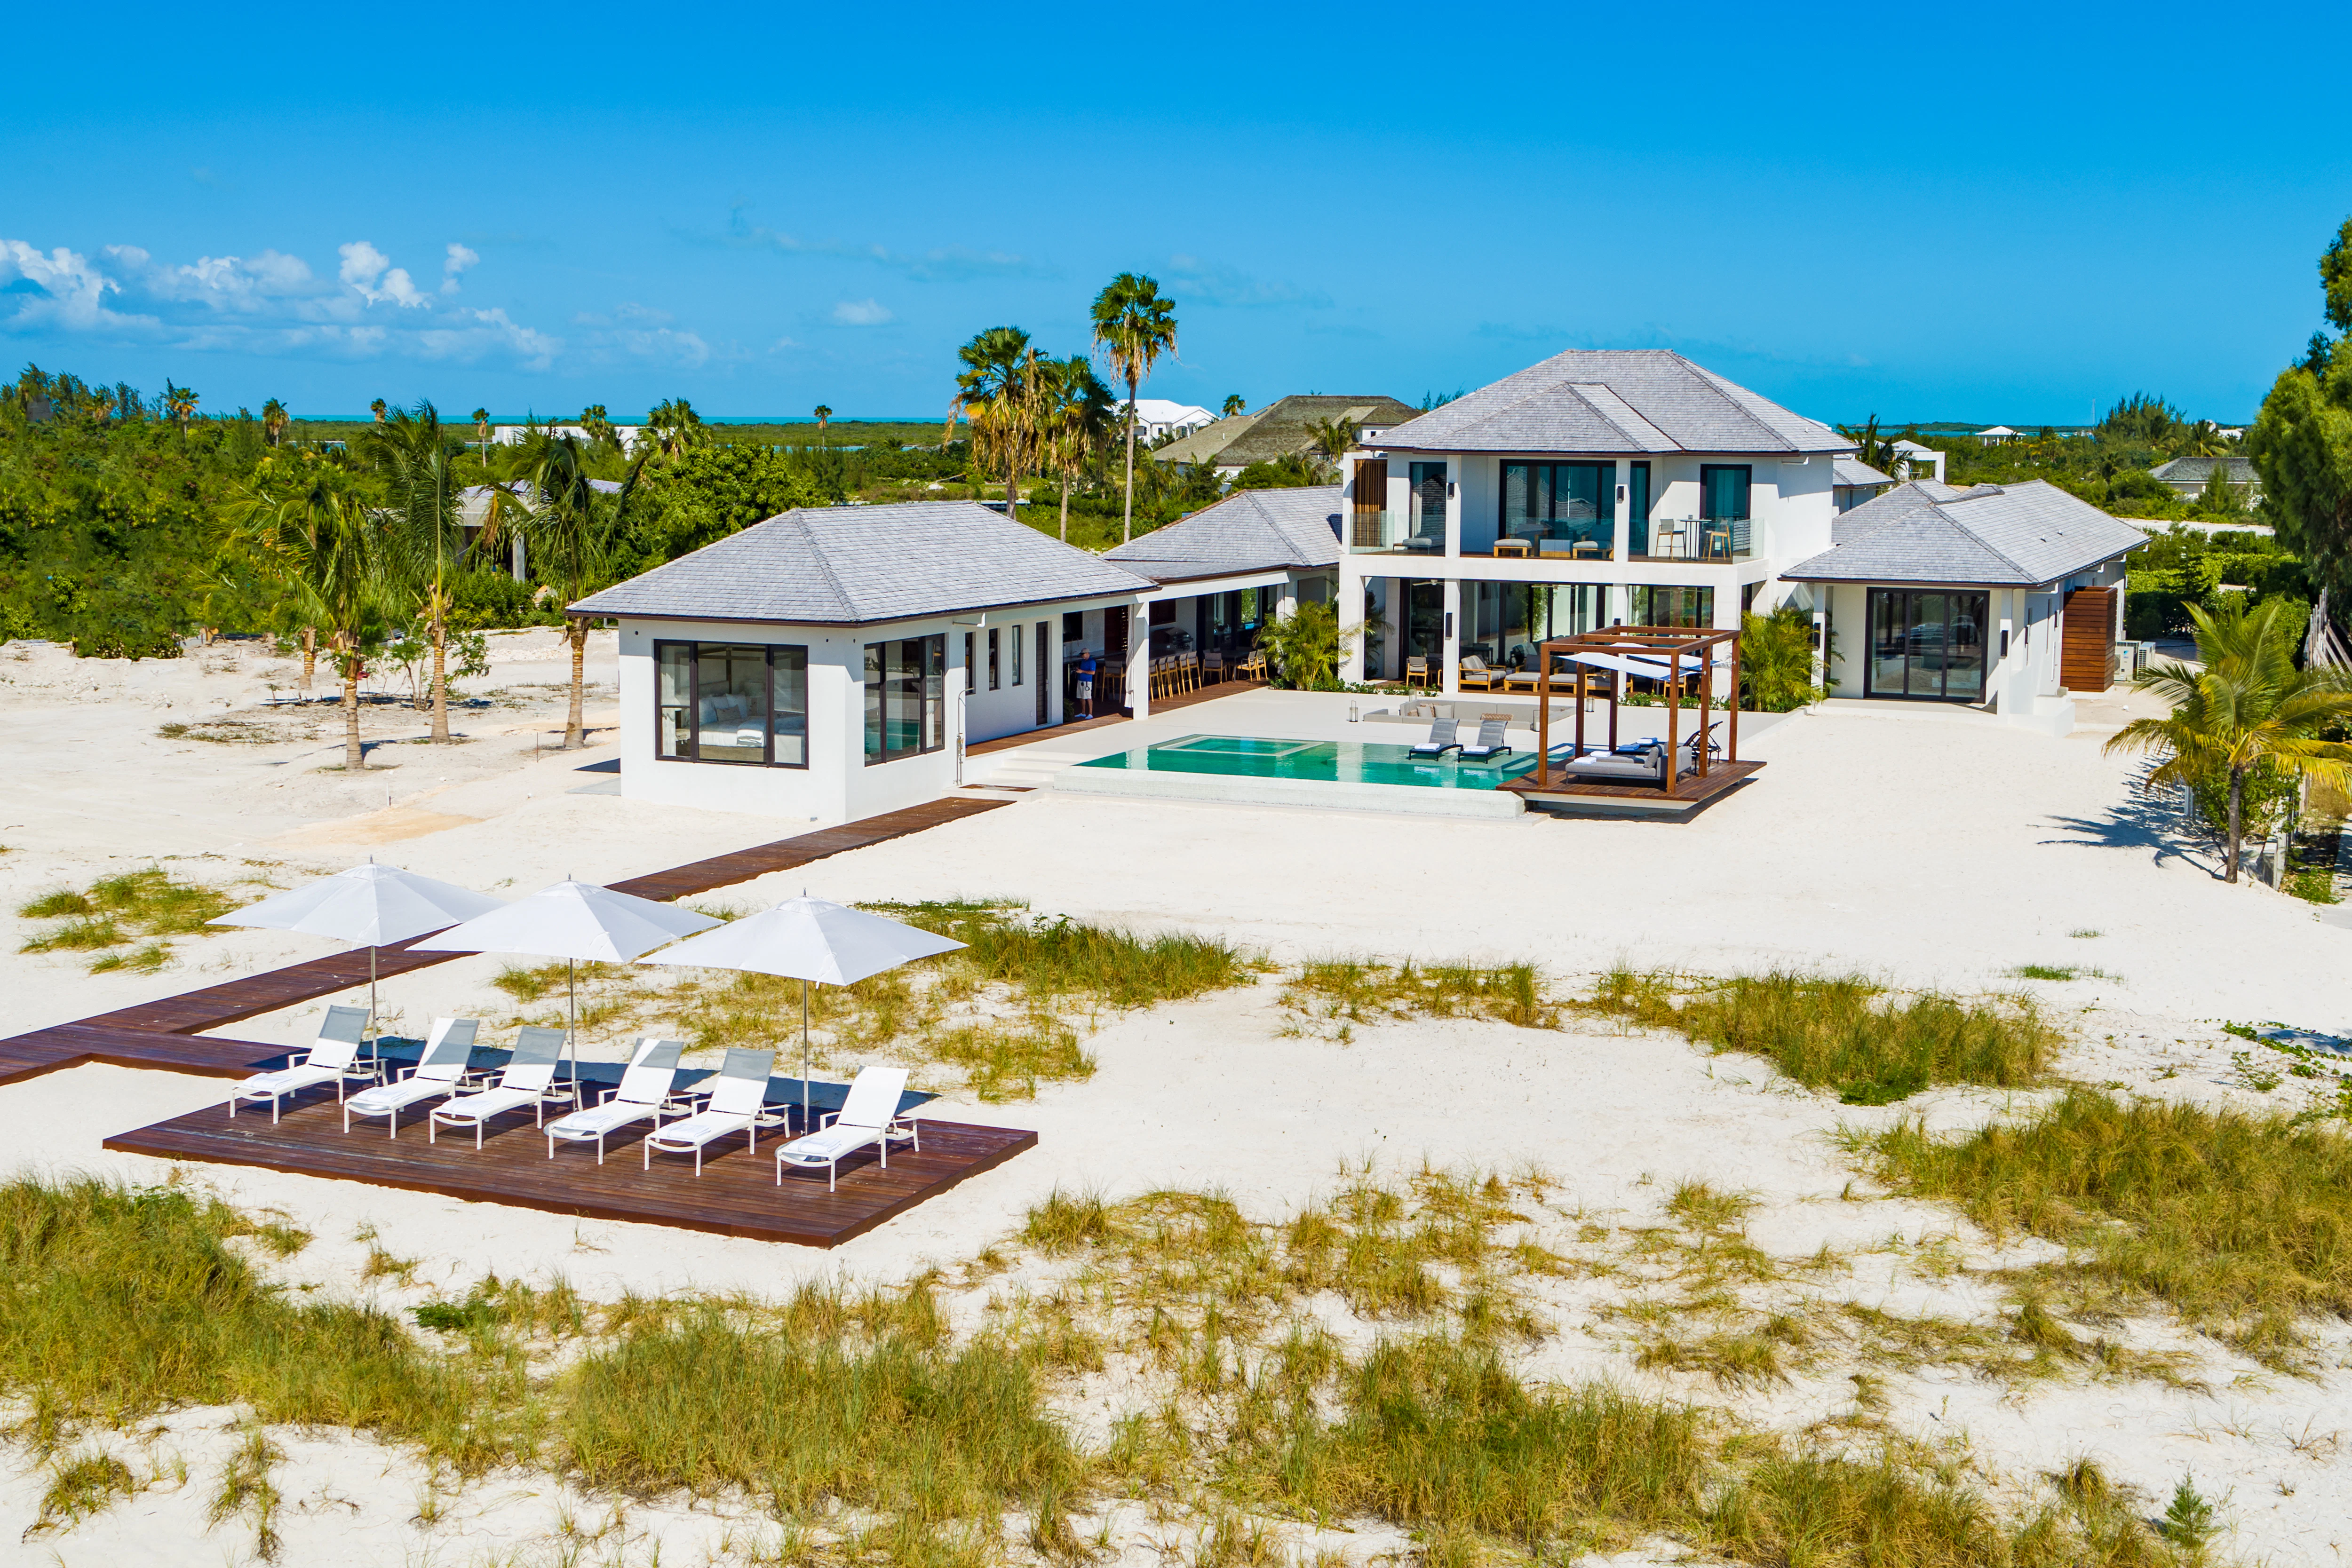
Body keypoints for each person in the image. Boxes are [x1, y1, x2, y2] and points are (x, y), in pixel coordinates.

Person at [1075, 647, 1099, 719]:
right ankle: (1083, 713)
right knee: (1081, 697)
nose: (1082, 656)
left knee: (1088, 697)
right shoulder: (1083, 661)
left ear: (1088, 654)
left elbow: (1093, 672)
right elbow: (1083, 670)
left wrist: (1082, 671)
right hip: (1081, 680)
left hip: (1087, 682)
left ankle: (1091, 714)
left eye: (1083, 654)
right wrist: (1080, 670)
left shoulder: (1092, 662)